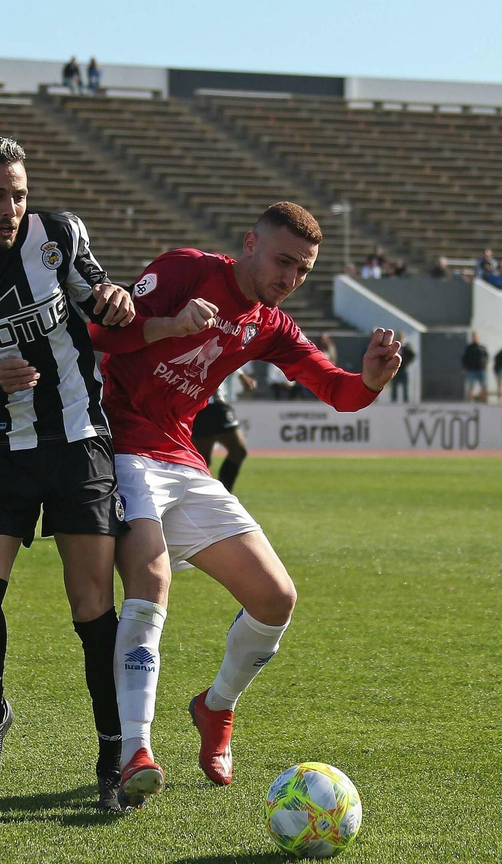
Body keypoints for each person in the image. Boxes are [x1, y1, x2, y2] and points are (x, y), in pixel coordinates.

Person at [86, 202, 402, 803]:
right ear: (249, 243)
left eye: (303, 271)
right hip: (118, 445)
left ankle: (215, 707)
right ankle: (135, 752)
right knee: (152, 581)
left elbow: (336, 392)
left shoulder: (271, 325)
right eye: (283, 261)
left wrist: (370, 381)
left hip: (181, 457)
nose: (290, 279)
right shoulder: (185, 270)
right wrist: (169, 323)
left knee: (275, 597)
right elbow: (97, 332)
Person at [0, 135, 137, 810]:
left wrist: (113, 299)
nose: (10, 207)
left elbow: (94, 294)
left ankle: (110, 758)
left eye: (18, 193)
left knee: (93, 610)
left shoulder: (58, 233)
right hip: (3, 449)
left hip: (80, 443)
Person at [191, 369, 259, 491]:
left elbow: (226, 351)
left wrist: (241, 374)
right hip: (204, 400)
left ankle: (220, 493)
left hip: (214, 402)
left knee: (236, 451)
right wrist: (241, 375)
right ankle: (211, 496)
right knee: (203, 459)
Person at [389, 331, 416, 402]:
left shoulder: (406, 345)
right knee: (394, 385)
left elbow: (412, 355)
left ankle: (405, 400)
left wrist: (406, 362)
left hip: (403, 368)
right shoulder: (393, 345)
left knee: (405, 386)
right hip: (395, 368)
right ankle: (393, 400)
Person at [462, 332, 488, 402]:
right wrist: (464, 367)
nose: (475, 338)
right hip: (472, 370)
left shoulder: (482, 348)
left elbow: (486, 357)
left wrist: (485, 366)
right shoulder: (469, 348)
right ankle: (471, 399)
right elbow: (464, 358)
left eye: (476, 337)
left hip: (481, 369)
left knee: (483, 385)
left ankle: (483, 399)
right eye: (474, 337)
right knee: (471, 385)